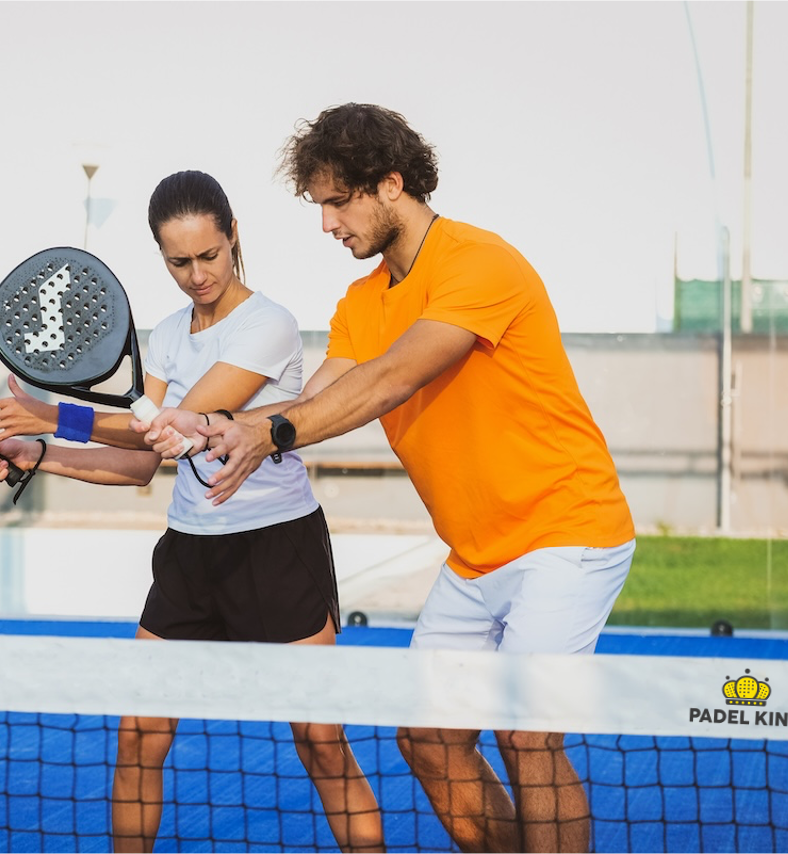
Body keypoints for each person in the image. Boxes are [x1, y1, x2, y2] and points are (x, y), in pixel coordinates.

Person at [143, 105, 636, 854]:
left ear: (391, 185)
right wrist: (216, 423)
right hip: (475, 557)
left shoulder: (478, 263)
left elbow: (388, 380)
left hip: (566, 535)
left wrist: (266, 431)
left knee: (526, 734)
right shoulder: (361, 302)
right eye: (320, 205)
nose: (327, 224)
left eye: (338, 202)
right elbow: (316, 400)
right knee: (427, 739)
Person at [0, 170, 384, 854]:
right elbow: (140, 461)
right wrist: (35, 452)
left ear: (233, 236)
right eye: (178, 261)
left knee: (319, 740)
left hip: (276, 547)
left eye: (208, 255)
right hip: (190, 553)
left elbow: (182, 424)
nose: (197, 275)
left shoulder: (268, 325)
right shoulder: (164, 337)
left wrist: (51, 415)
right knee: (139, 735)